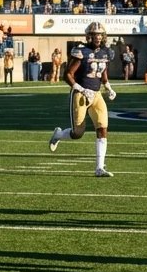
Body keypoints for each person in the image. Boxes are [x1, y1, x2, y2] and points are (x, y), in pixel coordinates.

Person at [48, 22, 117, 177]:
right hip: (81, 94)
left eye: (100, 34)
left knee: (102, 128)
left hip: (96, 94)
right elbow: (67, 74)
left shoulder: (105, 53)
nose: (98, 37)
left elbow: (103, 73)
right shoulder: (81, 52)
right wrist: (81, 89)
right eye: (95, 35)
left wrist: (109, 88)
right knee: (78, 133)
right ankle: (59, 135)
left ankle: (99, 168)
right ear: (89, 36)